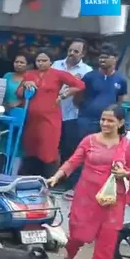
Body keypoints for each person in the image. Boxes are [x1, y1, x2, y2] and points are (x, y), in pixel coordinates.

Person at [48, 104, 130, 259]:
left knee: (108, 239)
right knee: (79, 235)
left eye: (110, 120)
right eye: (103, 119)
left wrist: (125, 173)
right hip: (87, 195)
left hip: (114, 197)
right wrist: (57, 176)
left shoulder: (127, 145)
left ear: (121, 123)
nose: (105, 123)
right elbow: (73, 161)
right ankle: (70, 254)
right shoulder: (89, 140)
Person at [15, 48, 86, 178]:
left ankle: (48, 181)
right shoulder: (29, 74)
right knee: (31, 148)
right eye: (38, 60)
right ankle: (27, 180)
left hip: (50, 119)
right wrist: (25, 84)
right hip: (31, 120)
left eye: (44, 60)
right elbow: (19, 93)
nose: (40, 63)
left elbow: (80, 85)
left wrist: (64, 94)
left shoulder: (58, 74)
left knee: (48, 149)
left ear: (51, 61)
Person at [52, 39, 93, 195]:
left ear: (83, 54)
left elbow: (86, 92)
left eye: (76, 51)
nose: (71, 54)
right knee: (51, 148)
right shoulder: (55, 65)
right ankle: (50, 179)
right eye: (70, 50)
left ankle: (66, 183)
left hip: (72, 115)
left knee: (69, 150)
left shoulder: (87, 71)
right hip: (52, 113)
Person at [76, 43, 127, 144]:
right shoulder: (89, 77)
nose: (102, 60)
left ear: (115, 58)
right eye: (101, 57)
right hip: (87, 121)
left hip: (107, 123)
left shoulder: (121, 79)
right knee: (84, 148)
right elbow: (78, 98)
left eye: (106, 57)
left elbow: (119, 101)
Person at [0, 53, 31, 174]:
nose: (18, 64)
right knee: (3, 139)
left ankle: (13, 173)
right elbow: (0, 91)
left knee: (17, 142)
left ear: (28, 65)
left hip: (21, 113)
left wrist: (19, 102)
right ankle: (0, 170)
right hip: (5, 112)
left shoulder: (30, 78)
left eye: (22, 62)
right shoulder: (7, 76)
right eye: (16, 62)